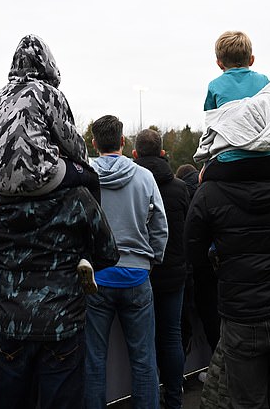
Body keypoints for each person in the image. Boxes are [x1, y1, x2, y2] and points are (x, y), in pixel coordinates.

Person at [187, 127, 270, 409]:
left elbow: (194, 253)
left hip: (241, 314)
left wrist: (223, 267)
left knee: (247, 401)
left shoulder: (209, 193)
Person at [0, 160, 117, 408]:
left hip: (12, 319)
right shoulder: (76, 196)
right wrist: (79, 256)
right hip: (62, 320)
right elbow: (108, 252)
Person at [0, 35, 100, 292]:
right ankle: (88, 254)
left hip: (0, 182)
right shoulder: (49, 93)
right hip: (40, 176)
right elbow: (71, 142)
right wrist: (82, 166)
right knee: (90, 178)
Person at [86, 115, 169, 409]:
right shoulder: (144, 177)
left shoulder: (85, 177)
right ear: (123, 141)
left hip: (97, 278)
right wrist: (152, 258)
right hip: (136, 275)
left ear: (94, 143)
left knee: (94, 359)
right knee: (144, 359)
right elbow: (159, 225)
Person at [132, 128, 189, 409]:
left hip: (142, 270)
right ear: (163, 153)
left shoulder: (132, 185)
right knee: (171, 335)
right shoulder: (180, 189)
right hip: (173, 270)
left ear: (135, 154)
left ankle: (153, 398)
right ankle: (174, 400)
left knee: (149, 340)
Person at [193, 30, 270, 182]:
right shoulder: (264, 81)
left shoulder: (214, 86)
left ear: (219, 63)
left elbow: (212, 128)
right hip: (268, 158)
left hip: (229, 160)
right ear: (251, 60)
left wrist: (205, 165)